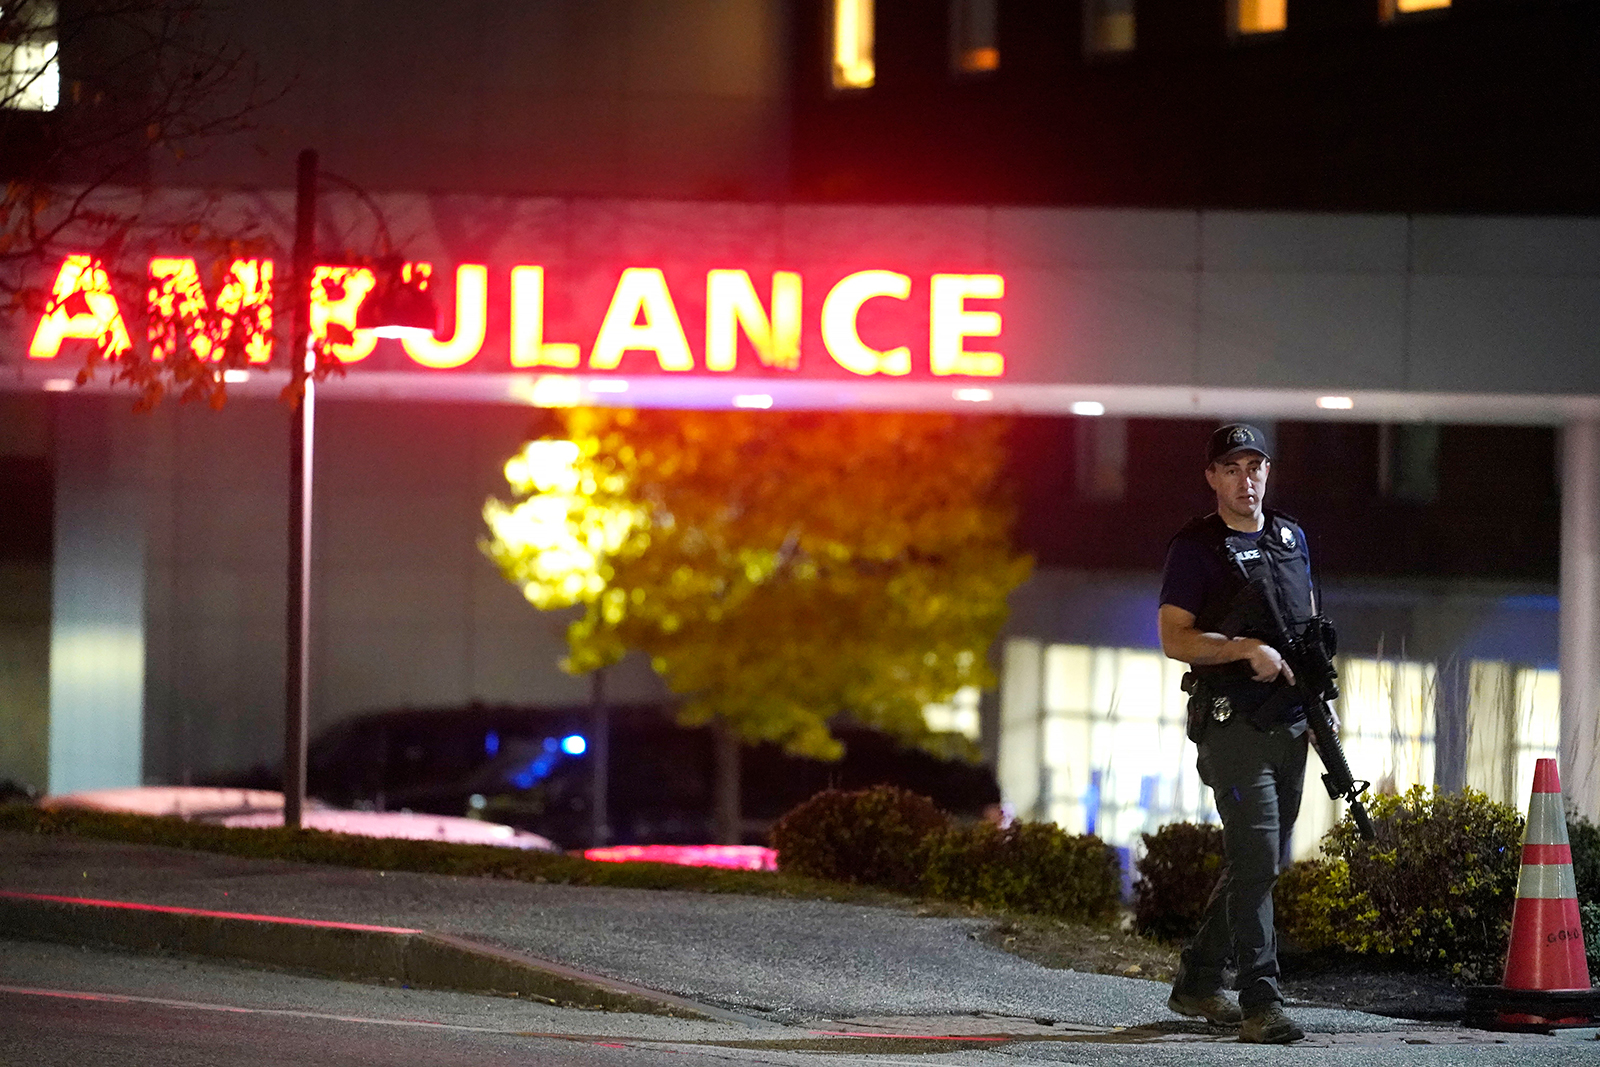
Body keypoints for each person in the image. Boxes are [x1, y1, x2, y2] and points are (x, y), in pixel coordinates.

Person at [1157, 423, 1316, 1045]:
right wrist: (1244, 648)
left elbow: (1306, 629)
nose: (1245, 479)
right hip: (1231, 722)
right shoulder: (1196, 546)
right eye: (1231, 468)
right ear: (1212, 478)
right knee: (1255, 854)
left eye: (1254, 466)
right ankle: (1261, 1001)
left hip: (1292, 719)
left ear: (1267, 472)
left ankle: (1197, 982)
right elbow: (1175, 638)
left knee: (1264, 861)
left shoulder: (1291, 537)